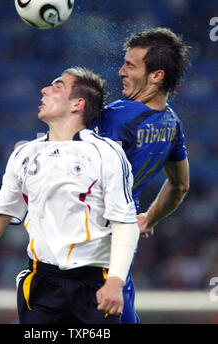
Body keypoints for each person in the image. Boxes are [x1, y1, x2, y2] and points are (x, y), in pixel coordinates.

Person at [0, 67, 140, 324]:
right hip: (41, 283)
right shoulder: (25, 154)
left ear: (78, 104)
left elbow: (125, 224)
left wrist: (116, 279)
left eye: (57, 86)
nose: (44, 90)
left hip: (94, 284)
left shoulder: (106, 153)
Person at [92, 27, 191, 323]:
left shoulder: (117, 115)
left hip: (87, 245)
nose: (121, 71)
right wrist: (147, 218)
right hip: (122, 244)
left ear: (156, 76)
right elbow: (180, 185)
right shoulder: (172, 123)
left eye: (130, 65)